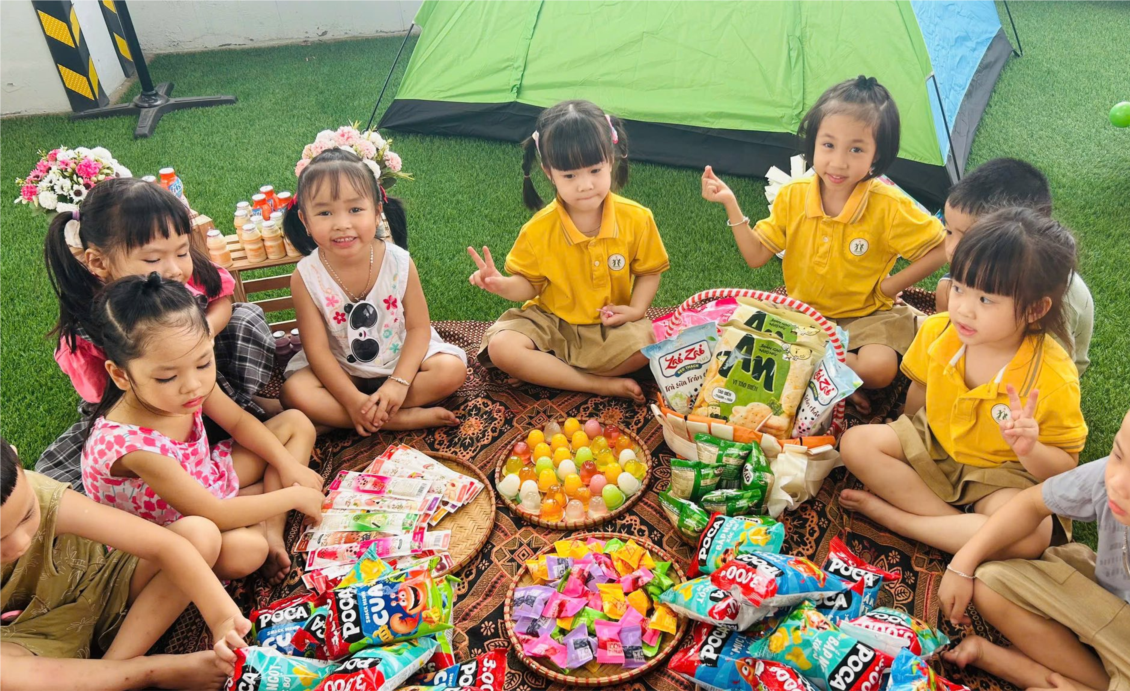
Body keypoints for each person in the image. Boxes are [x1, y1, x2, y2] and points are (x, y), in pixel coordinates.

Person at [939, 358, 1130, 691]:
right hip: (1104, 605)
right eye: (1118, 454)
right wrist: (961, 564)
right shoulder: (1118, 476)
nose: (1116, 482)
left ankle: (1039, 674)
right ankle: (1091, 681)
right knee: (990, 584)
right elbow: (1031, 503)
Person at [839, 208, 1087, 558]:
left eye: (986, 299)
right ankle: (961, 529)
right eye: (958, 288)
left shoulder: (1054, 375)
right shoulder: (938, 330)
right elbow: (919, 392)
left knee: (1034, 534)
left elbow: (1065, 465)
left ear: (1034, 310)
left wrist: (1029, 449)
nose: (964, 309)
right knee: (855, 444)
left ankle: (900, 521)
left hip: (1001, 475)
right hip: (934, 441)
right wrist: (904, 436)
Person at [701, 76, 946, 408]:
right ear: (813, 142)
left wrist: (890, 286)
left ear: (877, 156)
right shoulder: (793, 196)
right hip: (805, 315)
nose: (839, 162)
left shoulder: (888, 205)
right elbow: (756, 256)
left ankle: (814, 370)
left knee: (879, 370)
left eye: (856, 149)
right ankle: (831, 379)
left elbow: (941, 248)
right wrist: (731, 204)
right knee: (730, 339)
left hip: (867, 316)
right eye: (828, 145)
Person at [80, 274, 322, 584]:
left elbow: (239, 422)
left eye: (204, 363)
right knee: (248, 550)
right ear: (120, 375)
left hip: (207, 481)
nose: (193, 385)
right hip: (180, 534)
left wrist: (287, 465)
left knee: (295, 424)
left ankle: (272, 530)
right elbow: (213, 514)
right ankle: (259, 520)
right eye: (167, 378)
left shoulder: (188, 387)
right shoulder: (131, 446)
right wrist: (293, 496)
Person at [39, 178, 277, 489]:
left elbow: (222, 298)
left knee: (245, 320)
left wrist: (205, 333)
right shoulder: (90, 326)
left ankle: (243, 403)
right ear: (98, 262)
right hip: (150, 413)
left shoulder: (178, 280)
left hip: (206, 384)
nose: (175, 269)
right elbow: (110, 404)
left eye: (182, 252)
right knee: (62, 486)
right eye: (153, 259)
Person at [0, 439, 249, 691]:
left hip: (101, 587)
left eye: (28, 515)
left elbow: (165, 546)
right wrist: (148, 673)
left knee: (200, 534)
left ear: (16, 456)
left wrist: (223, 618)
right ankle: (145, 673)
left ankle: (111, 671)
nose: (20, 543)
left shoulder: (44, 494)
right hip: (29, 641)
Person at [469, 100, 669, 403]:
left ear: (611, 160)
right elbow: (529, 285)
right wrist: (501, 284)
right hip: (550, 322)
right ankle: (596, 383)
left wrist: (637, 310)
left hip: (608, 326)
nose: (585, 185)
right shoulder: (538, 229)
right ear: (549, 172)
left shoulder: (637, 218)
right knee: (502, 348)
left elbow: (649, 272)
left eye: (595, 170)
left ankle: (551, 371)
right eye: (570, 176)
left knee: (647, 345)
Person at [279, 149, 468, 434]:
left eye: (355, 210)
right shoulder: (306, 276)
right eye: (325, 212)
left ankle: (357, 416)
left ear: (378, 212)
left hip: (400, 360)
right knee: (295, 392)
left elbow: (418, 328)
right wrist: (351, 400)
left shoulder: (399, 262)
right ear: (305, 221)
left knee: (451, 370)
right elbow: (317, 351)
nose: (342, 224)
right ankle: (398, 419)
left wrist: (398, 384)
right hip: (344, 370)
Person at [937, 158, 1095, 375]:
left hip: (1032, 369)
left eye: (967, 237)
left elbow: (1053, 365)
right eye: (948, 231)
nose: (952, 249)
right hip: (994, 323)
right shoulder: (987, 267)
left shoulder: (1055, 303)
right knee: (944, 290)